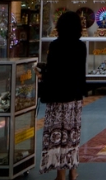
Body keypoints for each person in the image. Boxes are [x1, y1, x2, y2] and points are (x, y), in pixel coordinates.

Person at [38, 11, 86, 180]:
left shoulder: (55, 46)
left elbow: (52, 71)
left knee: (58, 134)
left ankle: (61, 174)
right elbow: (81, 71)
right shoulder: (81, 46)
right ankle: (73, 170)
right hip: (74, 97)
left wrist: (42, 74)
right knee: (72, 135)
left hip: (57, 96)